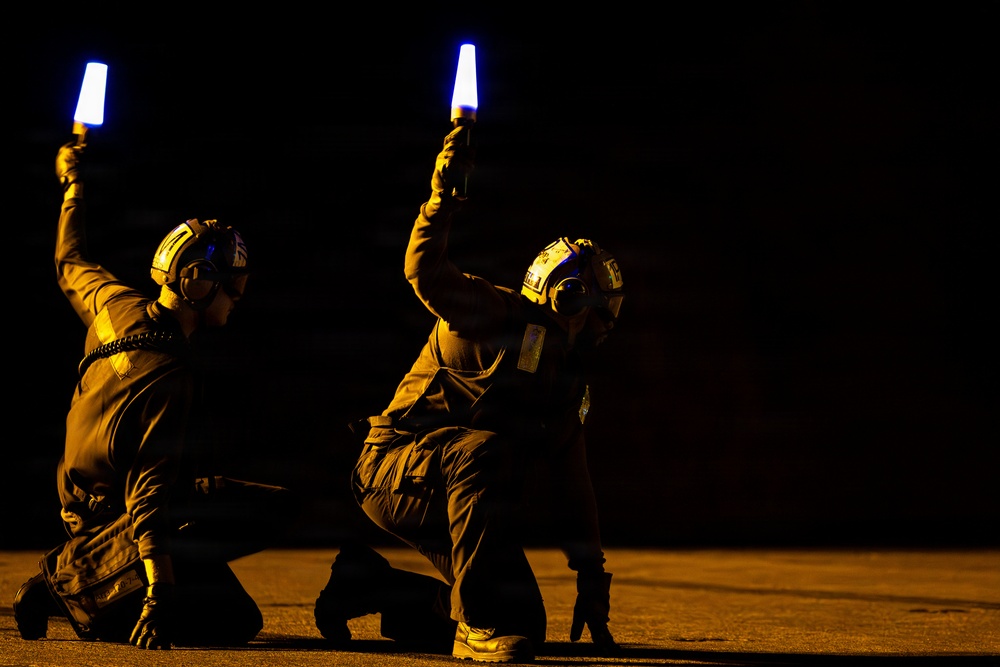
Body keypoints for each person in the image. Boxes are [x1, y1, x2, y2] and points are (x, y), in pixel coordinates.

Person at [314, 126, 625, 663]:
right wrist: (441, 201)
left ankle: (368, 585)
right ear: (567, 297)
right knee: (485, 450)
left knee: (526, 624)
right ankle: (474, 626)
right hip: (394, 472)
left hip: (458, 489)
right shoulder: (495, 315)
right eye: (594, 304)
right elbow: (424, 272)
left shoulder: (564, 378)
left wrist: (591, 575)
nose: (598, 322)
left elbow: (573, 481)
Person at [12, 140, 296, 649]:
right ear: (197, 282)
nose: (238, 298)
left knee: (267, 506)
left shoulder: (114, 305)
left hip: (78, 503)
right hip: (113, 520)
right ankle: (72, 581)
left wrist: (73, 187)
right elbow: (150, 494)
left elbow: (69, 260)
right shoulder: (170, 376)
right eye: (233, 285)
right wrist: (159, 593)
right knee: (236, 622)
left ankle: (89, 574)